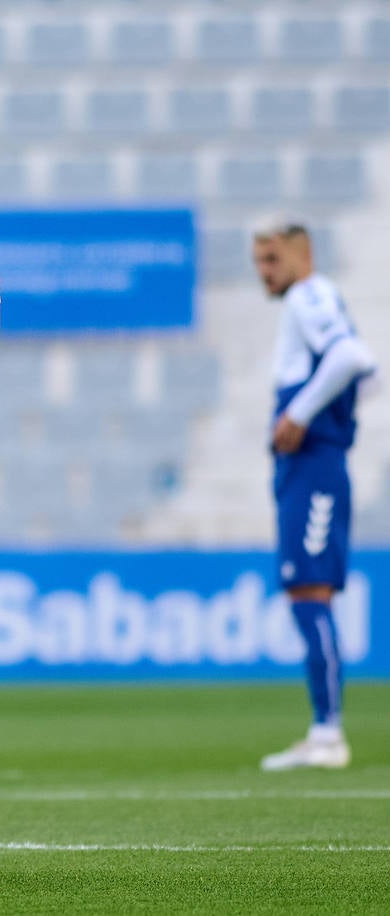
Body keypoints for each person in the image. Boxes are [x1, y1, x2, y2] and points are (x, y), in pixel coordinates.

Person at [251, 222, 376, 771]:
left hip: (315, 466)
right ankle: (323, 730)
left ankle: (328, 734)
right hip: (309, 465)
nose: (264, 271)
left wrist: (299, 414)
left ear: (303, 255)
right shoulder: (310, 301)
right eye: (258, 260)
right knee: (307, 593)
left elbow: (351, 357)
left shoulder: (310, 295)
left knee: (311, 594)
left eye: (273, 258)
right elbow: (362, 376)